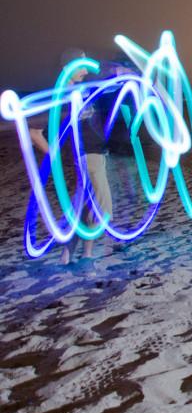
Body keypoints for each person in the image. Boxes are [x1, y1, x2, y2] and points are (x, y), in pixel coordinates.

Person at [28, 49, 115, 267]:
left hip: (95, 155)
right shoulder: (58, 97)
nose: (86, 70)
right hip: (88, 157)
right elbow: (34, 132)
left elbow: (109, 88)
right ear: (69, 66)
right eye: (82, 65)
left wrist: (119, 72)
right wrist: (54, 158)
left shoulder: (80, 91)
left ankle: (72, 255)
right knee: (103, 211)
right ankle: (83, 255)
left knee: (84, 209)